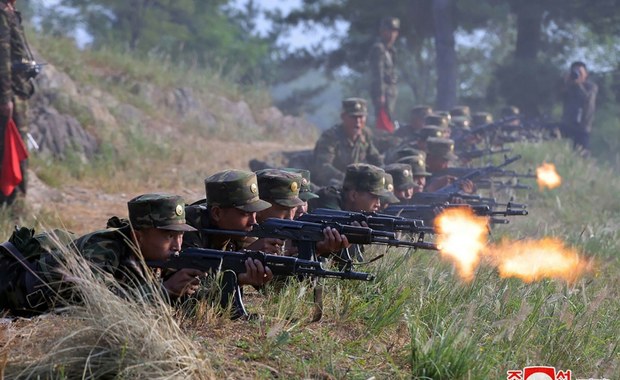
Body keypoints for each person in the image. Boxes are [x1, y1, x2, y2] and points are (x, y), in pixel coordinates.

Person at [1, 193, 204, 316]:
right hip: (11, 285)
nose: (178, 245)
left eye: (180, 236)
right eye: (169, 236)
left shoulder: (158, 256)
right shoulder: (102, 249)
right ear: (138, 235)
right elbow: (101, 305)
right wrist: (163, 290)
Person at [0, 0, 37, 205]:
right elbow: (2, 59)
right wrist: (5, 98)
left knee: (17, 147)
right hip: (10, 94)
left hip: (18, 91)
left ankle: (16, 200)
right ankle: (13, 203)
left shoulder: (10, 12)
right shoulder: (2, 15)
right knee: (12, 148)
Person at [313, 98, 383, 186]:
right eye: (353, 117)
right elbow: (323, 167)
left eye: (361, 117)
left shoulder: (365, 134)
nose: (357, 121)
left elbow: (375, 159)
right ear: (343, 117)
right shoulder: (330, 137)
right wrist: (346, 178)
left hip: (356, 185)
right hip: (331, 185)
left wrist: (382, 173)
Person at [561, 61, 597, 153]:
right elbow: (558, 96)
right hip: (568, 124)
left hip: (583, 127)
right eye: (575, 72)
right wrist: (567, 82)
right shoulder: (569, 86)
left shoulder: (591, 87)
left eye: (580, 72)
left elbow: (586, 98)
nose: (577, 75)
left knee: (581, 154)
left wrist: (578, 84)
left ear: (586, 74)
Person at [369, 17, 400, 122]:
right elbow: (378, 73)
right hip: (383, 93)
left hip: (391, 93)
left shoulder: (392, 51)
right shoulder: (379, 49)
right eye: (389, 31)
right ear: (382, 32)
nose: (391, 34)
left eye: (394, 31)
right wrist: (380, 94)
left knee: (390, 119)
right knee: (383, 122)